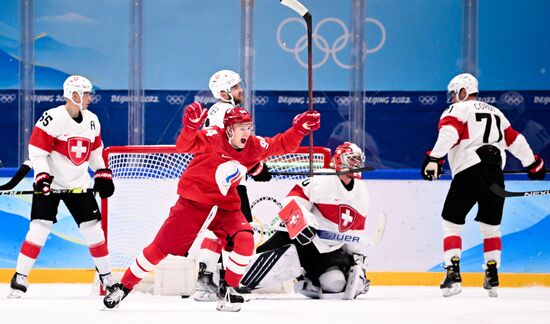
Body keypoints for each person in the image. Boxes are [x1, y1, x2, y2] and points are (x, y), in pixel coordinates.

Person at [103, 94, 320, 311]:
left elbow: (281, 144)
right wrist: (189, 127)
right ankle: (123, 287)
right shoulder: (212, 137)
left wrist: (299, 130)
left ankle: (229, 291)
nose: (247, 132)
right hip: (193, 203)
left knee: (245, 239)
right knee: (160, 248)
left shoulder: (253, 145)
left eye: (248, 127)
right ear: (228, 129)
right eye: (241, 128)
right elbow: (184, 146)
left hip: (226, 207)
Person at [421, 73, 546, 298]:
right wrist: (532, 164)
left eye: (454, 93)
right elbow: (516, 141)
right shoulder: (497, 113)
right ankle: (492, 275)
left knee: (451, 223)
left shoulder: (457, 110)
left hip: (469, 171)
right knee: (491, 228)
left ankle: (453, 274)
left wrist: (434, 159)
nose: (452, 98)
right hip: (495, 175)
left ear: (463, 91)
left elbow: (449, 133)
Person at [8, 75, 116, 298]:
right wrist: (43, 176)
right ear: (74, 95)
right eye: (85, 94)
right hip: (52, 182)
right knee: (39, 228)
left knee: (93, 230)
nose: (89, 98)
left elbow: (95, 152)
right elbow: (37, 151)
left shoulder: (93, 120)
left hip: (79, 184)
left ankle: (106, 276)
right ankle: (20, 276)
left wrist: (102, 174)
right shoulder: (52, 118)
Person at [254, 142, 371, 300]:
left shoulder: (362, 191)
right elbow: (291, 201)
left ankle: (310, 281)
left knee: (334, 284)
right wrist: (302, 223)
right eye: (352, 159)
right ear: (339, 161)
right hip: (299, 238)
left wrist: (357, 260)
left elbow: (355, 231)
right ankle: (230, 275)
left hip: (326, 248)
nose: (357, 164)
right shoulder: (322, 179)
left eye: (358, 160)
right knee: (256, 270)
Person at [195, 69, 271, 301]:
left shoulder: (217, 110)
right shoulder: (228, 113)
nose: (241, 90)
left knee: (219, 230)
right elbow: (234, 148)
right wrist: (257, 167)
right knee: (241, 232)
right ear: (224, 92)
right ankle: (228, 285)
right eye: (236, 87)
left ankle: (205, 283)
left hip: (219, 180)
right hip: (230, 182)